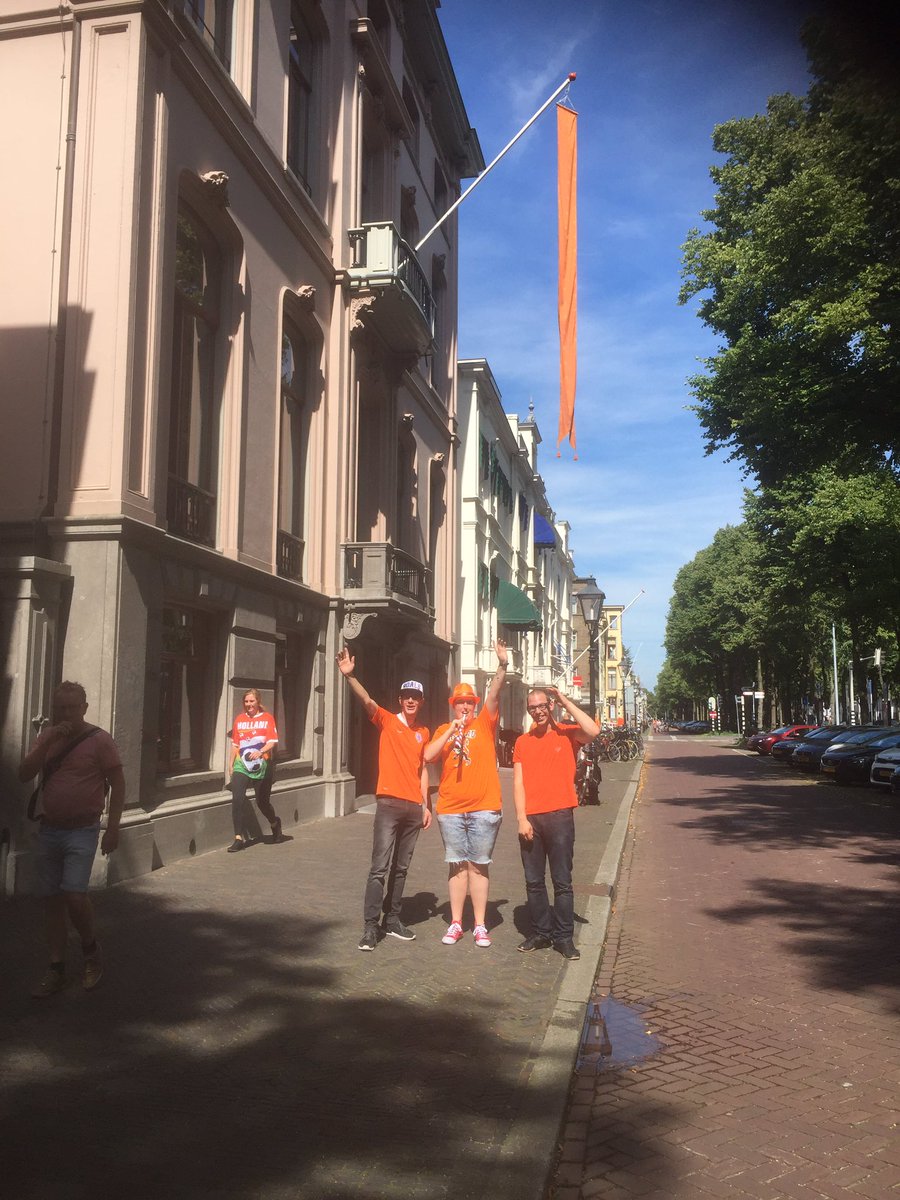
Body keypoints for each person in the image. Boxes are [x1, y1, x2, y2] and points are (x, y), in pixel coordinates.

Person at [18, 681, 126, 995]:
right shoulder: (47, 738)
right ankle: (56, 968)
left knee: (74, 895)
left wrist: (113, 828)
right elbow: (24, 774)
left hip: (82, 829)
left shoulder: (99, 740)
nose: (66, 714)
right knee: (52, 900)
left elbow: (118, 783)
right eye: (60, 708)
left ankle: (91, 951)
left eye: (72, 708)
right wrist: (46, 742)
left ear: (84, 708)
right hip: (50, 828)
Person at [337, 648, 431, 951]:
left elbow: (422, 769)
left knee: (401, 869)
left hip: (414, 808)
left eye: (415, 697)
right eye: (406, 696)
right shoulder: (388, 721)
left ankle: (392, 920)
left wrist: (426, 805)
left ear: (421, 702)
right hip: (389, 804)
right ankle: (370, 926)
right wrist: (350, 676)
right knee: (379, 867)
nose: (411, 700)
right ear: (400, 700)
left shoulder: (424, 732)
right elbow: (367, 700)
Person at [424, 639, 507, 948]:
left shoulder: (485, 723)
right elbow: (428, 755)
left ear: (475, 705)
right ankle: (457, 923)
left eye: (469, 703)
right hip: (451, 809)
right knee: (457, 865)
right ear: (453, 705)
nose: (465, 707)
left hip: (484, 807)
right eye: (460, 703)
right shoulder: (442, 731)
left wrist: (502, 666)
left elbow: (494, 693)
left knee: (478, 865)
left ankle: (480, 925)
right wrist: (451, 729)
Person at [513, 686, 600, 961]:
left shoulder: (567, 733)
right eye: (532, 708)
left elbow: (593, 730)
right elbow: (518, 782)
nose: (537, 711)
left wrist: (563, 699)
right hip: (532, 819)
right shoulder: (522, 742)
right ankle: (541, 932)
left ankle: (563, 938)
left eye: (542, 706)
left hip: (560, 816)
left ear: (550, 706)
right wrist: (521, 818)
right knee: (534, 881)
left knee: (562, 881)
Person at [227, 688, 284, 852]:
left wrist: (261, 751)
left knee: (262, 803)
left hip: (262, 765)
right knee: (237, 799)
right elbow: (235, 744)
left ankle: (275, 823)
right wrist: (231, 764)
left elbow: (272, 741)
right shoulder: (240, 719)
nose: (249, 704)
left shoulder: (267, 718)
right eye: (246, 701)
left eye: (251, 701)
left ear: (258, 701)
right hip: (241, 764)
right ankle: (238, 838)